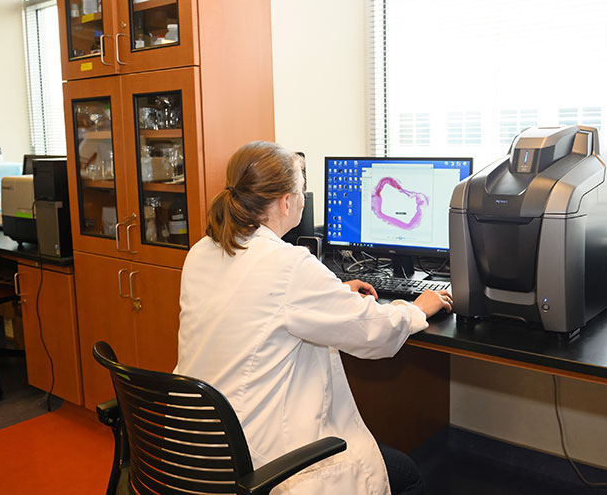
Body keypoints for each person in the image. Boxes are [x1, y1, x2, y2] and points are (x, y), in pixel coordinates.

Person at [174, 141, 452, 495]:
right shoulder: (287, 265)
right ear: (287, 202)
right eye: (301, 189)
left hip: (194, 446)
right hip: (259, 459)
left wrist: (332, 294)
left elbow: (263, 305)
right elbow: (375, 332)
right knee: (407, 475)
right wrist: (417, 308)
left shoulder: (202, 252)